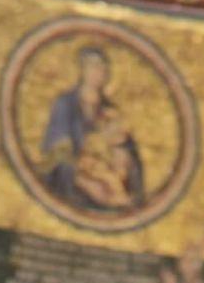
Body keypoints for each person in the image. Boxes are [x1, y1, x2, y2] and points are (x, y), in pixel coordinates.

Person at [41, 45, 145, 210]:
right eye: (93, 66)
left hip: (106, 173)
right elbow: (56, 151)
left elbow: (126, 146)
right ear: (82, 70)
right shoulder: (65, 104)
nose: (98, 72)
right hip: (74, 180)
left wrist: (123, 157)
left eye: (102, 67)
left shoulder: (110, 109)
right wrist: (82, 177)